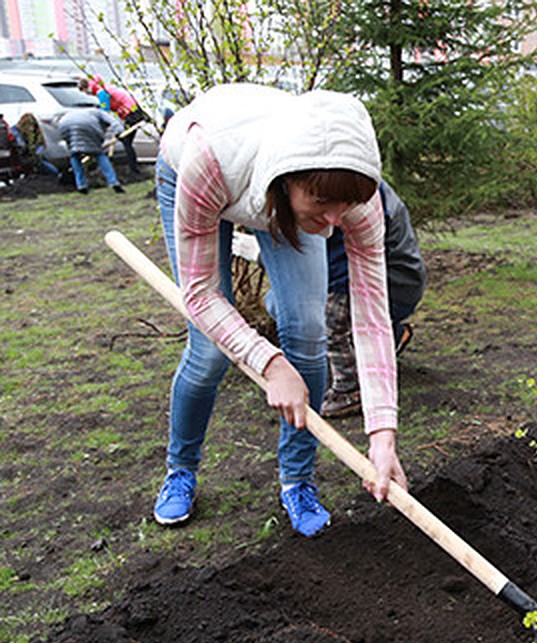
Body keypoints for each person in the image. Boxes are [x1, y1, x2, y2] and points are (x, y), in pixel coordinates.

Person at [151, 83, 405, 537]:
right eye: (323, 203)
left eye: (344, 205)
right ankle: (181, 469)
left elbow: (371, 316)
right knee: (209, 353)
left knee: (309, 332)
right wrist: (268, 362)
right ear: (289, 182)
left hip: (279, 191)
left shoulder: (353, 199)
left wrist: (382, 435)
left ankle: (298, 481)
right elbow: (200, 293)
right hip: (205, 175)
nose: (334, 220)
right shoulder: (209, 160)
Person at [320, 180, 426, 418]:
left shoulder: (353, 193)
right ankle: (394, 336)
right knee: (278, 303)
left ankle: (350, 391)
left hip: (394, 283)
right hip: (399, 281)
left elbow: (339, 272)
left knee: (327, 318)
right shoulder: (352, 181)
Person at [79, 75, 151, 176]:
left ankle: (134, 170)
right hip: (132, 111)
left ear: (86, 88)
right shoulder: (102, 87)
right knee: (125, 140)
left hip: (131, 113)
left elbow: (105, 113)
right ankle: (133, 168)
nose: (87, 94)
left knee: (126, 141)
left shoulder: (101, 93)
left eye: (85, 92)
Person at [57, 107, 125, 194]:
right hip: (89, 125)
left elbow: (65, 137)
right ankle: (113, 182)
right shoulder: (100, 112)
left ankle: (81, 185)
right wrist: (119, 132)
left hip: (65, 124)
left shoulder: (76, 112)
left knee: (75, 154)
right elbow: (114, 122)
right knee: (99, 154)